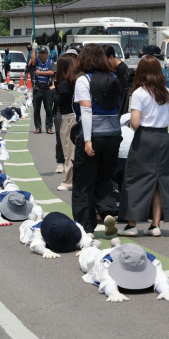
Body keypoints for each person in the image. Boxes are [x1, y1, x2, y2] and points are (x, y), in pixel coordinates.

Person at [72, 43, 121, 237]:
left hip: (92, 136)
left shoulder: (84, 80)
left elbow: (86, 109)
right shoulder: (114, 77)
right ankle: (108, 212)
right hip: (114, 135)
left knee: (84, 182)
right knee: (105, 178)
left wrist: (87, 139)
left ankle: (86, 226)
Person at [118, 55, 169, 237]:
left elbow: (135, 123)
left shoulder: (139, 93)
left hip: (144, 137)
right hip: (163, 137)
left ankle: (132, 225)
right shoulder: (166, 91)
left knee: (134, 179)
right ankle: (155, 225)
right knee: (158, 181)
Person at [78, 239, 169, 302]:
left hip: (122, 255)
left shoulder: (147, 258)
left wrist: (165, 289)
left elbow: (159, 275)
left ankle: (118, 245)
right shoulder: (106, 262)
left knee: (126, 252)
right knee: (88, 259)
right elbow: (107, 278)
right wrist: (112, 291)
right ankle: (93, 246)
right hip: (101, 256)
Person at [19, 212, 97, 259]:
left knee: (88, 237)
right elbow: (36, 245)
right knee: (28, 223)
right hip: (32, 227)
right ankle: (34, 218)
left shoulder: (75, 225)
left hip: (52, 222)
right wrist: (44, 251)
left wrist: (86, 248)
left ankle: (42, 216)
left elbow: (86, 239)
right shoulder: (38, 230)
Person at [52, 54, 77, 191]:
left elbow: (58, 101)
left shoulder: (65, 84)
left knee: (69, 152)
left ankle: (69, 181)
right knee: (72, 151)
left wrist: (53, 90)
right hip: (74, 118)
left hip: (69, 119)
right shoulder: (75, 81)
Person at [29, 45, 55, 134]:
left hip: (47, 88)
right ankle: (38, 127)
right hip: (38, 88)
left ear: (47, 54)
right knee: (36, 109)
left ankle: (49, 127)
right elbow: (32, 61)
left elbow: (52, 72)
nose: (42, 55)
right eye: (40, 53)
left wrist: (41, 72)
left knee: (49, 109)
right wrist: (33, 49)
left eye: (44, 53)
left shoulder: (51, 62)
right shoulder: (36, 62)